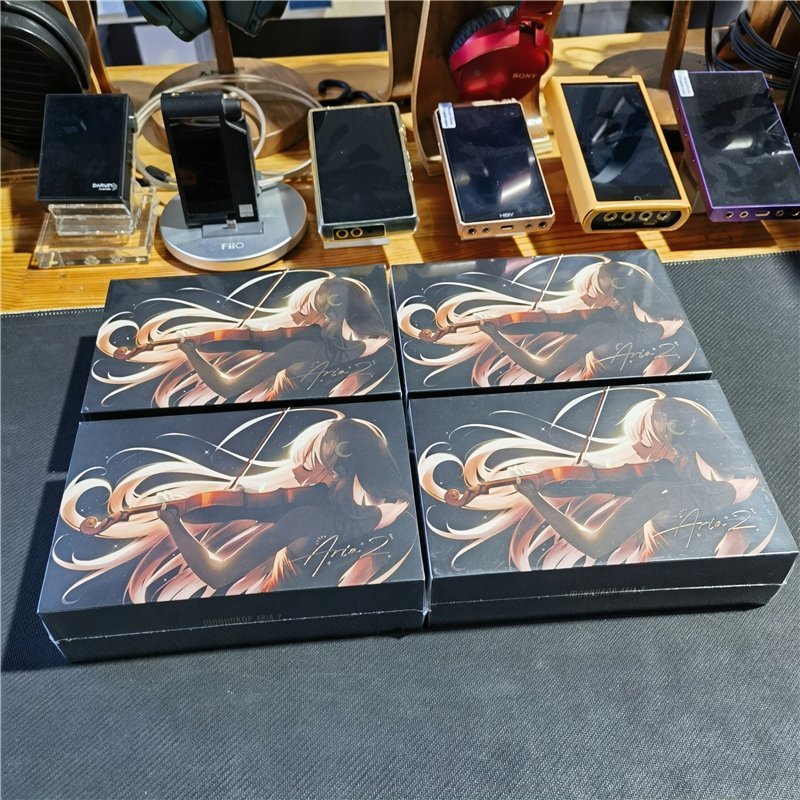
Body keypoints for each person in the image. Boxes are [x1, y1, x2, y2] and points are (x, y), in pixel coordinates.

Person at [56, 411, 411, 602]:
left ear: (338, 469)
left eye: (310, 464)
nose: (298, 475)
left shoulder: (306, 517)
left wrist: (175, 525)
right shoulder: (393, 510)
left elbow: (218, 574)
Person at [418, 392, 773, 570]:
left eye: (643, 438)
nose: (635, 448)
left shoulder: (663, 490)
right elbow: (599, 477)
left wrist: (535, 499)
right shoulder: (682, 471)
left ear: (670, 440)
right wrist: (547, 476)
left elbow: (594, 544)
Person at [397, 254, 699, 387]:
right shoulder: (663, 320)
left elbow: (543, 367)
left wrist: (496, 335)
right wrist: (497, 328)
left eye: (593, 295)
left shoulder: (602, 330)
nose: (587, 304)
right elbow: (547, 329)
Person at [94, 273, 392, 406]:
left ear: (330, 312)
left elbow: (228, 387)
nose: (301, 319)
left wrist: (191, 353)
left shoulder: (302, 348)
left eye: (313, 310)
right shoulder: (369, 348)